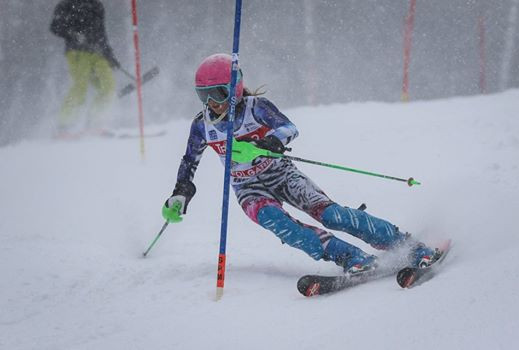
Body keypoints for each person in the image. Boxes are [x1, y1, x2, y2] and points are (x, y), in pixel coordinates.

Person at [162, 53, 438, 274]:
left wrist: (272, 141)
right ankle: (351, 258)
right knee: (286, 228)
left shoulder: (256, 107)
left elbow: (288, 128)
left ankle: (408, 246)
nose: (212, 103)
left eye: (218, 94)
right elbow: (190, 161)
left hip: (282, 175)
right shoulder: (202, 125)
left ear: (233, 89)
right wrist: (180, 192)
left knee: (331, 216)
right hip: (248, 189)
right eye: (203, 96)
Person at [50, 0, 120, 136]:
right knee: (80, 87)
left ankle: (94, 123)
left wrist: (109, 55)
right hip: (77, 52)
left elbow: (102, 33)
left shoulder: (97, 5)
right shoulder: (67, 3)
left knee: (108, 87)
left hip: (97, 53)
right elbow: (55, 27)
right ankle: (64, 125)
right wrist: (74, 34)